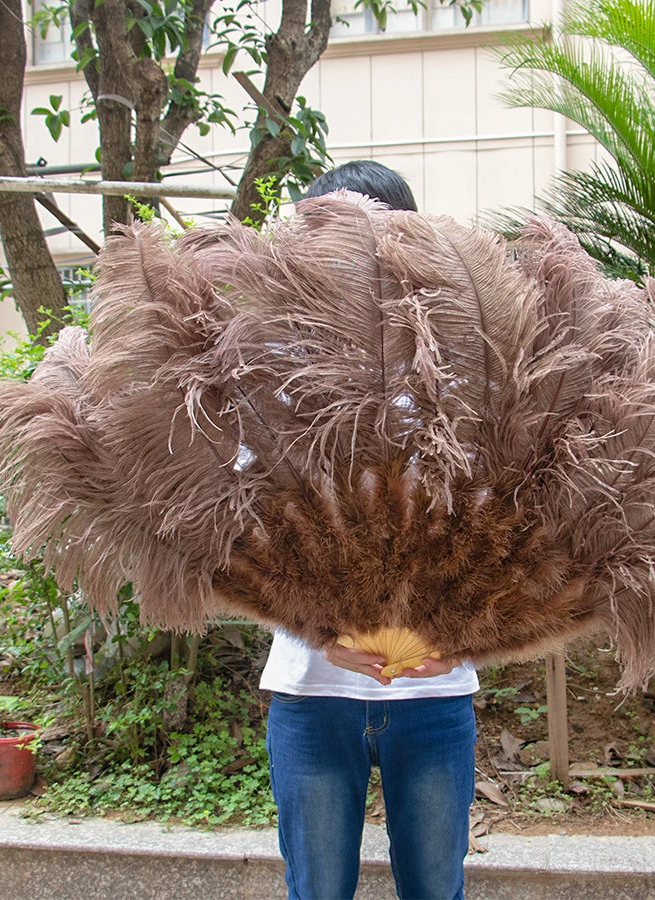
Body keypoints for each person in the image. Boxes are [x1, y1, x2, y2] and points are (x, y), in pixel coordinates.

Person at [259, 160, 480, 900]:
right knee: (316, 891)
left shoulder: (462, 371)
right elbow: (244, 526)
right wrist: (320, 630)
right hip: (311, 698)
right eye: (321, 237)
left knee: (435, 891)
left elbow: (501, 522)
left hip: (435, 699)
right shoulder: (277, 373)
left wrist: (467, 630)